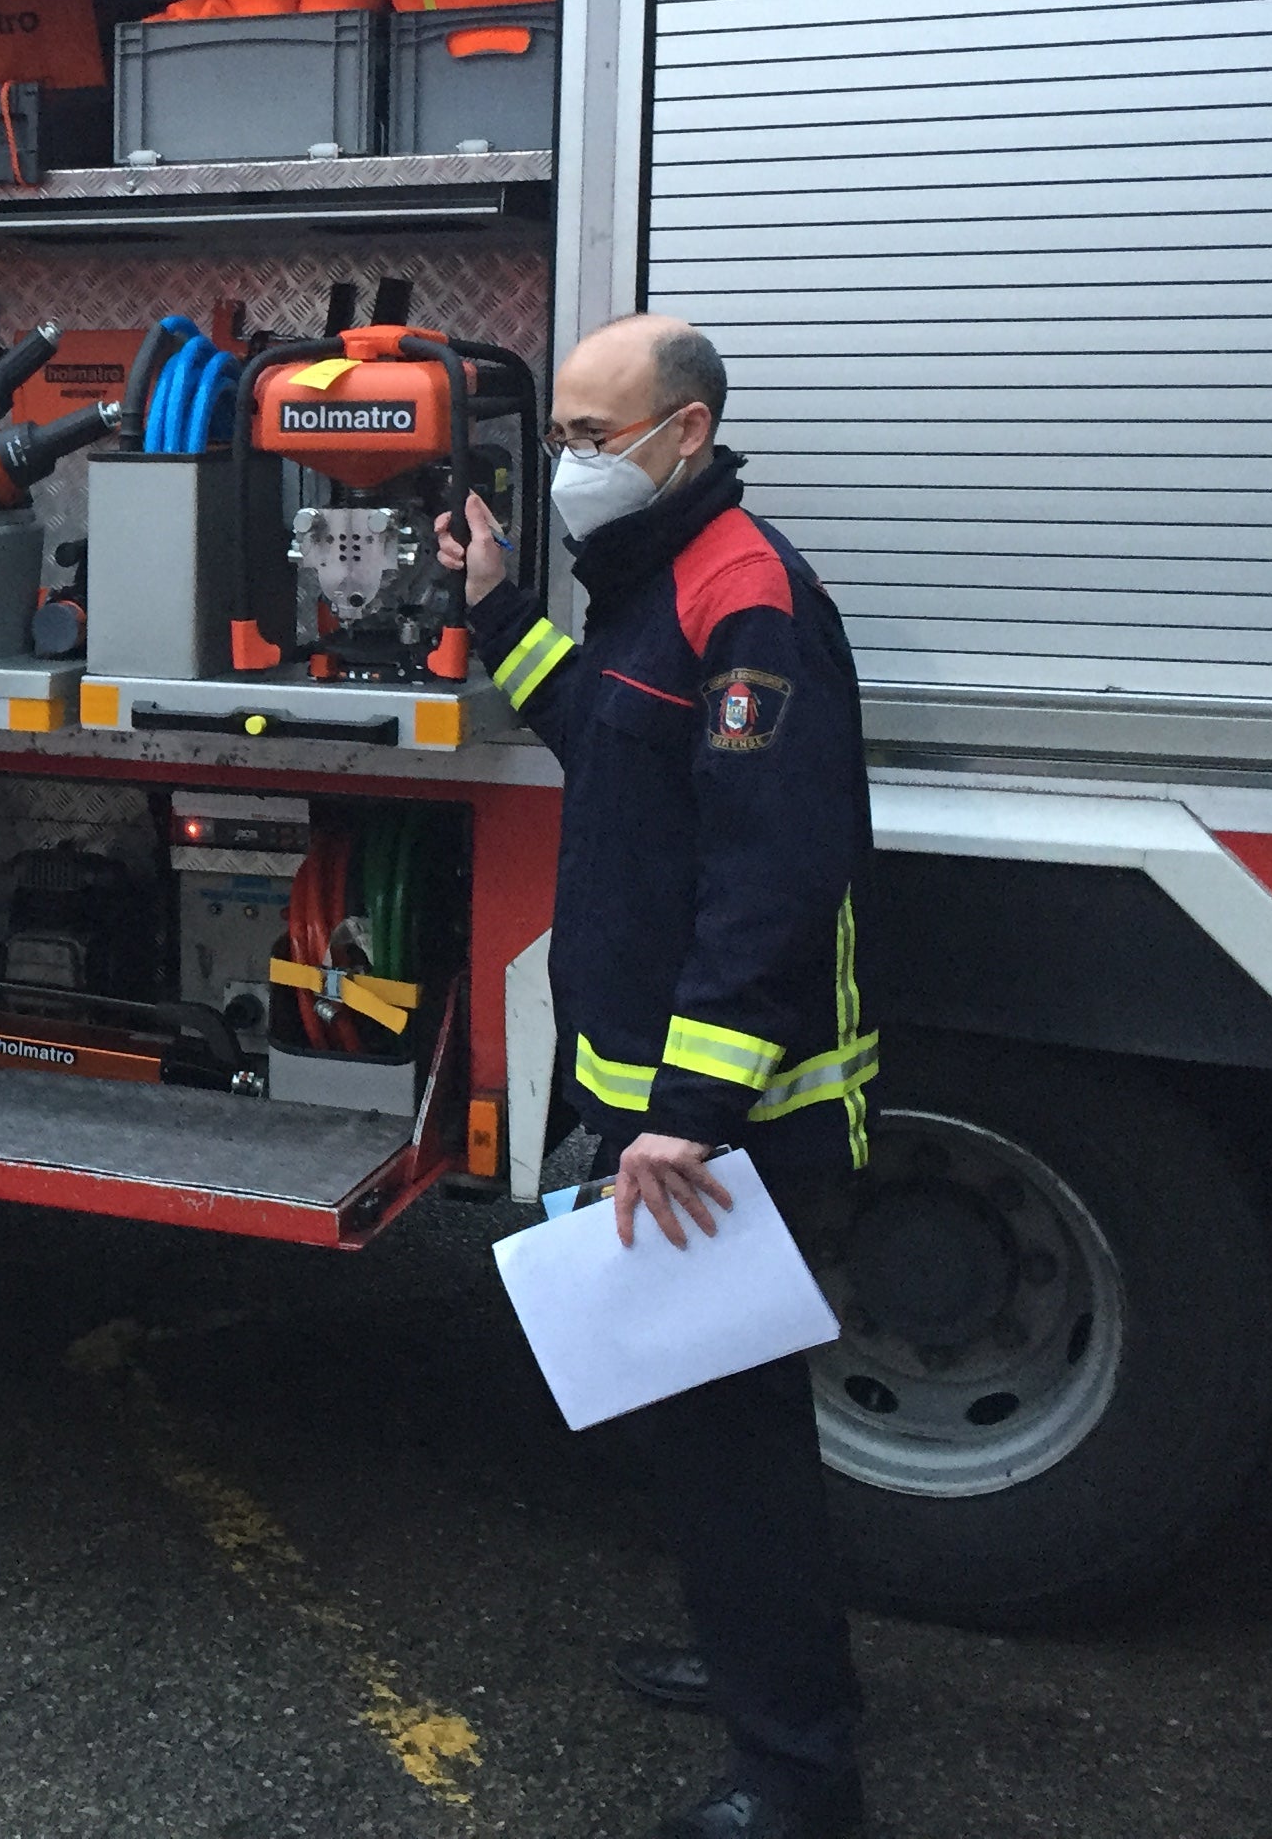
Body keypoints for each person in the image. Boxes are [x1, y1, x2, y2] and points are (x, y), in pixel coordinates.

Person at [438, 313, 875, 1839]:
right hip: (668, 1113)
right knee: (703, 1432)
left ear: (682, 436)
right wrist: (498, 617)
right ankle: (752, 1657)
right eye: (557, 433)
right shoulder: (658, 587)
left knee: (739, 1450)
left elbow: (771, 881)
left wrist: (685, 1122)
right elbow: (609, 739)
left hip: (738, 1127)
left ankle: (797, 1779)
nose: (566, 463)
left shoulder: (746, 596)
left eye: (589, 435)